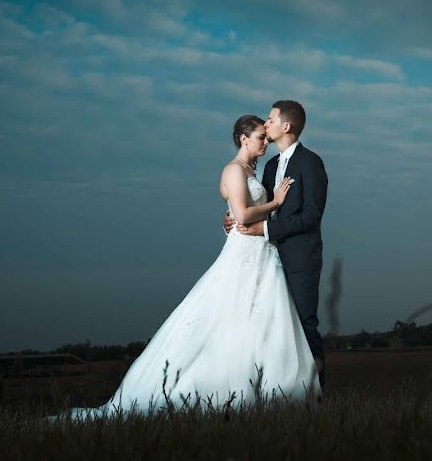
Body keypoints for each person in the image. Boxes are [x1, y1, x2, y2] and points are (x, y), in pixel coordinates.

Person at [51, 115, 319, 420]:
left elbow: (236, 213)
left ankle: (271, 391)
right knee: (231, 318)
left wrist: (233, 218)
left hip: (261, 251)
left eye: (265, 136)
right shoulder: (233, 169)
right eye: (260, 137)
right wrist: (275, 202)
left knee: (262, 321)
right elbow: (243, 215)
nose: (265, 142)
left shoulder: (252, 170)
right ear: (244, 139)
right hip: (246, 250)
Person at [224, 100, 329, 389]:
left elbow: (311, 216)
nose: (266, 124)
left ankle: (317, 396)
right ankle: (279, 392)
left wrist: (266, 228)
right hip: (267, 258)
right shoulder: (269, 167)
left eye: (270, 120)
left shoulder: (311, 163)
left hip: (300, 258)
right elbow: (261, 206)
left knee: (304, 325)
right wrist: (234, 218)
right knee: (272, 328)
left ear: (286, 126)